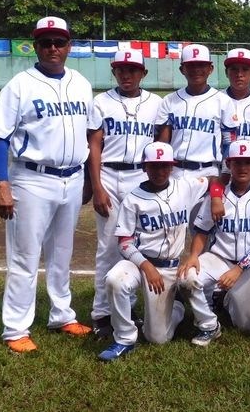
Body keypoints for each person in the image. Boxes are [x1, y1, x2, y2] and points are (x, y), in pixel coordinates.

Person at [0, 16, 94, 352]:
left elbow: (89, 134)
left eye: (58, 42)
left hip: (72, 178)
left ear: (69, 47)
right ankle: (15, 329)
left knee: (62, 254)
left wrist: (89, 179)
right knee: (24, 256)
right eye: (45, 42)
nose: (52, 48)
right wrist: (2, 184)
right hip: (31, 180)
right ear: (35, 47)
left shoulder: (81, 83)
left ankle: (62, 315)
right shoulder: (19, 85)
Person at [98, 142, 224, 361]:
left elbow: (214, 179)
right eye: (154, 166)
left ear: (172, 167)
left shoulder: (185, 186)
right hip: (139, 262)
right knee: (115, 279)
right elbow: (124, 242)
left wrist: (215, 197)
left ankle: (177, 306)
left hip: (169, 267)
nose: (160, 171)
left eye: (165, 166)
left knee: (157, 338)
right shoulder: (133, 199)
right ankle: (124, 339)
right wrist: (146, 266)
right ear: (144, 167)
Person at [87, 49, 163, 338]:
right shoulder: (101, 101)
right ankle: (101, 313)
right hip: (108, 175)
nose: (126, 74)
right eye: (121, 69)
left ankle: (128, 307)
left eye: (132, 70)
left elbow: (161, 142)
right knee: (108, 247)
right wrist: (97, 187)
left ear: (143, 73)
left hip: (140, 177)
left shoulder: (156, 103)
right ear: (114, 71)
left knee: (136, 245)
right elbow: (95, 145)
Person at [178, 140, 250, 343]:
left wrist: (238, 270)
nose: (243, 167)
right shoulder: (217, 196)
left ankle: (226, 299)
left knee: (248, 327)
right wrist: (193, 256)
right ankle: (208, 325)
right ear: (228, 164)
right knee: (187, 277)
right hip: (219, 258)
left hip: (248, 265)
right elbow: (202, 231)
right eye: (237, 162)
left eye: (248, 162)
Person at [154, 43, 236, 180]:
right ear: (182, 69)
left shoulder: (223, 101)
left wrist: (226, 173)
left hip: (208, 172)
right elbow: (163, 143)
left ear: (210, 69)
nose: (196, 70)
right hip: (174, 172)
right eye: (191, 65)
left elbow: (229, 142)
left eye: (201, 65)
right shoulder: (170, 100)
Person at [219, 48, 250, 184]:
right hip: (222, 170)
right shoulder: (216, 99)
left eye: (245, 69)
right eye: (234, 69)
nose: (239, 74)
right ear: (226, 73)